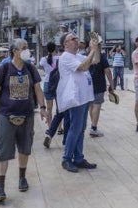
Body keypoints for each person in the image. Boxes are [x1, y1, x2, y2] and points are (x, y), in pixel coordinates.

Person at [0, 38, 47, 203]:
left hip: (27, 115)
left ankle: (22, 177)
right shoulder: (4, 68)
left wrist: (42, 107)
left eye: (27, 47)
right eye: (23, 48)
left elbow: (37, 89)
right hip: (6, 116)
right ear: (14, 51)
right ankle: (0, 187)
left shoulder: (30, 68)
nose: (27, 50)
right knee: (3, 152)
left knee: (24, 148)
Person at [57, 32, 100, 172]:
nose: (76, 40)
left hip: (84, 97)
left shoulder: (78, 55)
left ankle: (79, 158)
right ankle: (66, 159)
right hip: (75, 98)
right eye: (73, 38)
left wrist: (96, 46)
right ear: (65, 44)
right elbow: (83, 67)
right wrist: (92, 50)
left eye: (77, 38)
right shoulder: (65, 57)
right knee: (75, 129)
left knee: (80, 129)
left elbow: (96, 60)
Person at [88, 47, 115, 137]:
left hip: (88, 85)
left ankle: (93, 125)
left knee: (91, 106)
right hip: (99, 84)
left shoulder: (87, 55)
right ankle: (94, 127)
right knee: (97, 105)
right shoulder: (102, 56)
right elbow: (107, 71)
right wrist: (111, 84)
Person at [39, 42, 58, 127]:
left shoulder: (43, 59)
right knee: (59, 109)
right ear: (55, 49)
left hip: (47, 83)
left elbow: (41, 66)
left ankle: (50, 128)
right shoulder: (59, 58)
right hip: (57, 84)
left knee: (49, 109)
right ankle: (60, 128)